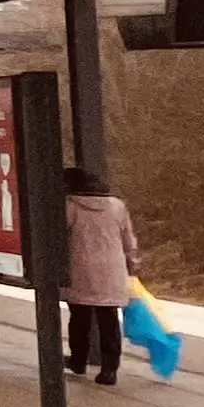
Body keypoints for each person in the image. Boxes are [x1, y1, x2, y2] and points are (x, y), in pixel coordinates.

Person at [63, 165, 142, 385]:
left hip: (81, 268)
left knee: (79, 317)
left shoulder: (70, 206)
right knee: (109, 320)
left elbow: (60, 235)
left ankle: (78, 360)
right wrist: (132, 262)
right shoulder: (117, 206)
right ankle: (109, 369)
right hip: (112, 268)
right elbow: (128, 239)